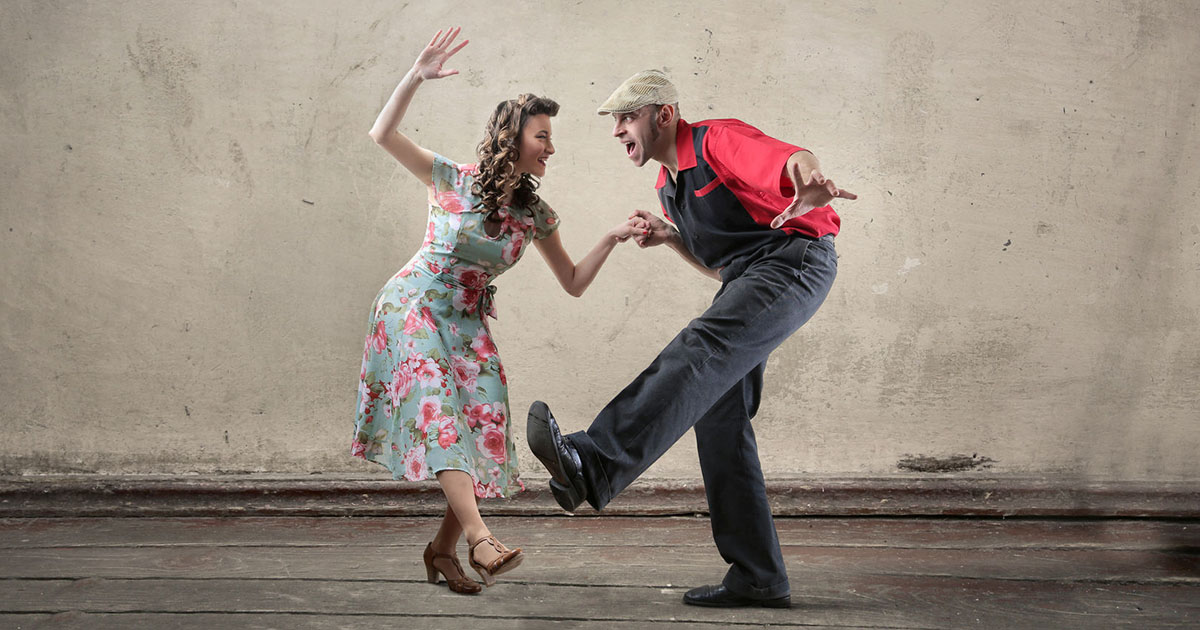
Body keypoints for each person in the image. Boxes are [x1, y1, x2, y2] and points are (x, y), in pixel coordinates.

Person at [526, 69, 857, 608]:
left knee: (701, 349)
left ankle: (594, 460)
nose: (617, 131)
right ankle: (758, 576)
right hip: (751, 279)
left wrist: (810, 178)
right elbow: (720, 267)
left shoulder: (714, 140)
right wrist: (672, 239)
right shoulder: (666, 186)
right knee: (718, 412)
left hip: (795, 263)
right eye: (613, 122)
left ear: (663, 115)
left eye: (626, 117)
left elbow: (787, 157)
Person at [352, 28, 646, 595]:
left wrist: (611, 237)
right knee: (439, 411)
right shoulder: (450, 179)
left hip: (464, 322)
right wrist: (416, 76)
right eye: (543, 136)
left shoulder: (536, 216)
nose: (551, 149)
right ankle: (481, 539)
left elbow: (574, 282)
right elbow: (382, 133)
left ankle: (441, 550)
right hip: (412, 306)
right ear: (514, 138)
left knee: (485, 420)